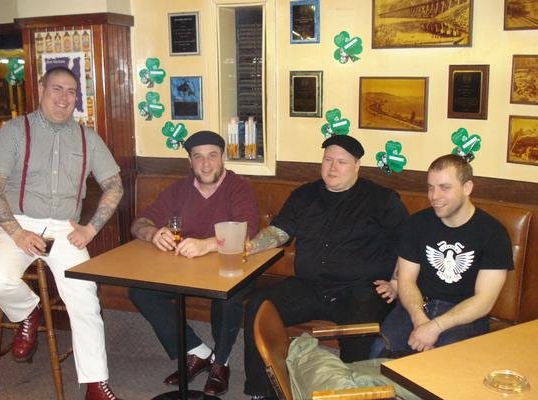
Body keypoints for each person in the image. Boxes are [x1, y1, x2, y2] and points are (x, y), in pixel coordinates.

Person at [0, 67, 124, 400]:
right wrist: (17, 233)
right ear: (41, 89)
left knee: (85, 298)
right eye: (56, 88)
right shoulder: (14, 132)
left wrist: (91, 229)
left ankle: (95, 384)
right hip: (18, 223)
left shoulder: (88, 138)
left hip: (65, 227)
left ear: (77, 98)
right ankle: (27, 311)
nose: (63, 97)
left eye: (71, 91)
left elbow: (115, 185)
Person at [243, 134, 409, 400]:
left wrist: (397, 283)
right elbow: (279, 231)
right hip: (310, 286)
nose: (333, 168)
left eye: (341, 162)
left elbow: (408, 245)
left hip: (361, 289)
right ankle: (262, 391)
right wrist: (253, 245)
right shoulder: (304, 195)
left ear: (357, 166)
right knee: (259, 306)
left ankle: (352, 392)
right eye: (328, 160)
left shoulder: (382, 199)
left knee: (359, 326)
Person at [129, 130, 259, 396]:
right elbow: (139, 223)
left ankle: (220, 363)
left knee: (227, 297)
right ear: (190, 161)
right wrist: (153, 233)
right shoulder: (179, 189)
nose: (206, 164)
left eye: (212, 156)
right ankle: (198, 351)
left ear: (222, 158)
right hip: (187, 271)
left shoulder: (238, 187)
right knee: (140, 291)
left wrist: (206, 244)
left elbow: (246, 232)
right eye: (198, 157)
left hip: (233, 267)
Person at [370, 154, 513, 358]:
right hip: (417, 305)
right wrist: (420, 320)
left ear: (467, 187)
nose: (434, 196)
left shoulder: (493, 233)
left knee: (440, 360)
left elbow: (484, 301)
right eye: (430, 187)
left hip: (464, 315)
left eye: (444, 187)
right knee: (379, 351)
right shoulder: (417, 224)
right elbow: (406, 280)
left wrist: (435, 327)